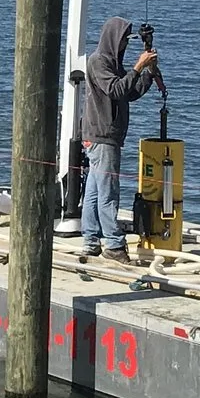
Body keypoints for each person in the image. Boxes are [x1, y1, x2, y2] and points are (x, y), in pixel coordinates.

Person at [76, 14, 159, 261]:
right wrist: (138, 66)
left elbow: (130, 93)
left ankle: (91, 240)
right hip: (101, 135)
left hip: (105, 135)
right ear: (113, 38)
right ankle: (113, 243)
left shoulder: (114, 64)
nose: (125, 45)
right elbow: (116, 89)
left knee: (94, 191)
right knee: (108, 192)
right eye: (123, 39)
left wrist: (148, 71)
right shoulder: (98, 62)